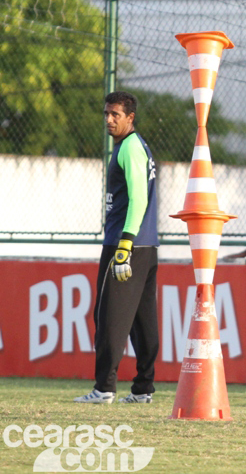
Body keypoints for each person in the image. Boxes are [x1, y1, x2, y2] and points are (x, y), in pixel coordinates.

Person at [74, 91, 159, 404]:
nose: (109, 120)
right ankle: (143, 388)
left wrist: (125, 243)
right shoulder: (136, 147)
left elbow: (139, 198)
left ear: (130, 118)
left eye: (116, 115)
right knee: (142, 318)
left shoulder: (130, 148)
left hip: (125, 244)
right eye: (107, 114)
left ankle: (104, 388)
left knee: (108, 317)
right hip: (147, 244)